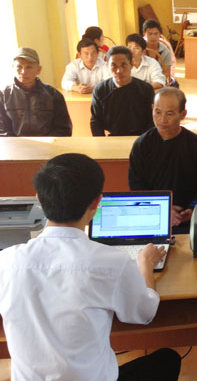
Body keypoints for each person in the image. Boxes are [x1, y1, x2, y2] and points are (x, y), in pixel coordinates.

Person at [0, 153, 181, 380]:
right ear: (97, 203)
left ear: (39, 199)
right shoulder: (113, 262)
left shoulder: (6, 261)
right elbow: (144, 313)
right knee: (167, 359)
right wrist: (146, 265)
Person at [129, 88, 197, 234]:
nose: (162, 119)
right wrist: (162, 208)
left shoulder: (196, 145)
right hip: (153, 213)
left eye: (169, 113)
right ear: (152, 109)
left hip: (188, 215)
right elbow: (136, 183)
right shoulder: (142, 145)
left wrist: (193, 208)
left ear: (183, 114)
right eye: (158, 112)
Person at [0, 47, 72, 137]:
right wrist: (18, 143)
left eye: (29, 67)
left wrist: (46, 142)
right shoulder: (3, 95)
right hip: (14, 144)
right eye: (19, 67)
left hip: (48, 143)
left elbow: (63, 128)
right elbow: (2, 131)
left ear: (39, 70)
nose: (23, 72)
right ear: (13, 68)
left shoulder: (53, 95)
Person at [90, 46, 154, 136]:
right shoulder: (100, 90)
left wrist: (145, 140)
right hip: (113, 138)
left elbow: (151, 121)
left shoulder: (146, 89)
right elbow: (96, 121)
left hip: (140, 137)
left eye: (124, 65)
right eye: (114, 66)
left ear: (131, 65)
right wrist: (102, 141)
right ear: (107, 66)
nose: (119, 71)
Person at [143, 19, 173, 84]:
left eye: (156, 34)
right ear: (144, 34)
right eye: (150, 34)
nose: (153, 37)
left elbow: (166, 72)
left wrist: (157, 82)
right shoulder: (140, 49)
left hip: (159, 81)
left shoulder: (165, 51)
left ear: (160, 34)